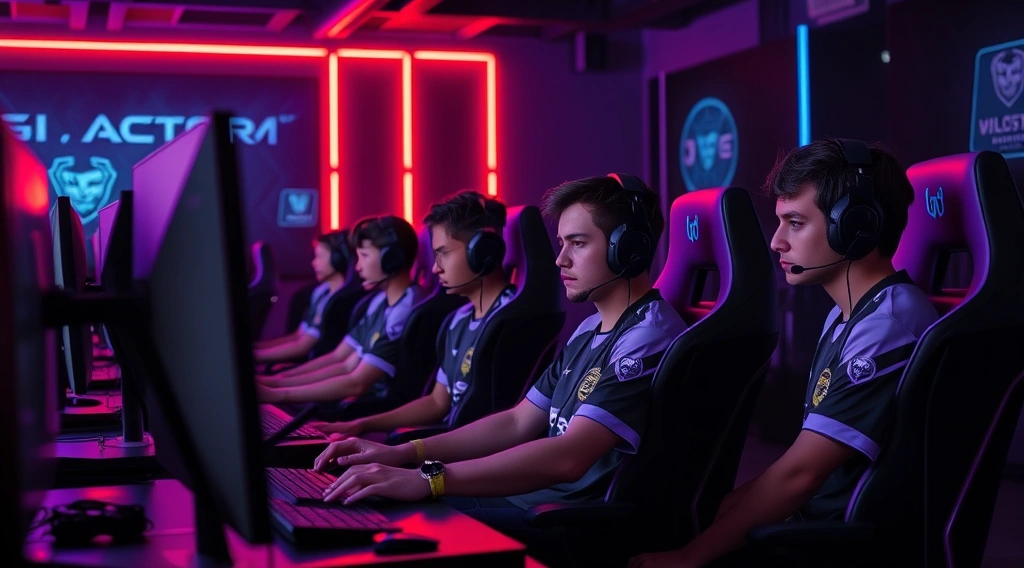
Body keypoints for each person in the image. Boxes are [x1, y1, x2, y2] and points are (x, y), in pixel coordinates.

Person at [311, 174, 687, 561]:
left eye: (577, 243)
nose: (561, 259)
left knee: (399, 524)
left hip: (566, 521)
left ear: (628, 249)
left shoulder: (646, 337)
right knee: (364, 508)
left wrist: (429, 477)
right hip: (528, 501)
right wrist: (403, 453)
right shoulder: (590, 328)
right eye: (561, 244)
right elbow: (517, 422)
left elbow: (569, 456)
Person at [628, 139, 939, 567]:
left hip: (834, 545)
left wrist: (689, 557)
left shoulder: (887, 326)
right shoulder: (848, 316)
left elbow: (802, 474)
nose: (776, 242)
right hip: (813, 525)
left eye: (795, 223)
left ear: (856, 226)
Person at [313, 191, 514, 438]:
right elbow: (438, 402)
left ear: (482, 251)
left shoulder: (510, 323)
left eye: (444, 253)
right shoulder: (459, 320)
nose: (434, 267)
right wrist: (361, 425)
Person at [256, 215, 424, 404]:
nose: (358, 267)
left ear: (391, 260)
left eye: (365, 256)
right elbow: (342, 361)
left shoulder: (404, 310)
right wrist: (276, 382)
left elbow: (356, 383)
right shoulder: (378, 302)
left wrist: (279, 393)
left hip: (370, 410)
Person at [252, 232, 349, 364]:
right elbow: (298, 336)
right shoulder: (321, 292)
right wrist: (257, 349)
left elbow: (302, 346)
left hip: (321, 367)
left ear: (337, 259)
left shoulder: (341, 301)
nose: (314, 263)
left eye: (319, 257)